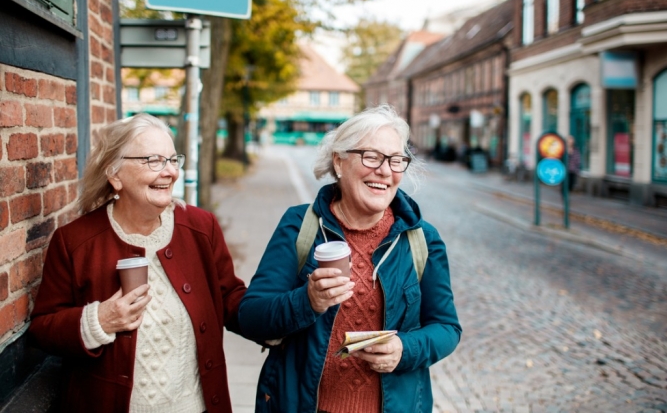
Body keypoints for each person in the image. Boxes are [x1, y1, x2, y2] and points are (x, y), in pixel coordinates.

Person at [238, 105, 461, 412]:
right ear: (339, 161)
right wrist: (308, 301)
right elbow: (251, 317)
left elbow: (447, 328)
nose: (385, 170)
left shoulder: (422, 239)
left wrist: (404, 349)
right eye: (371, 156)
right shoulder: (300, 226)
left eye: (396, 160)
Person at [29, 114, 247, 413]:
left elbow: (231, 299)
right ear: (115, 174)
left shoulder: (201, 227)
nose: (170, 172)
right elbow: (43, 328)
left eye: (173, 160)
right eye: (154, 160)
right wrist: (100, 321)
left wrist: (291, 309)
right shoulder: (75, 241)